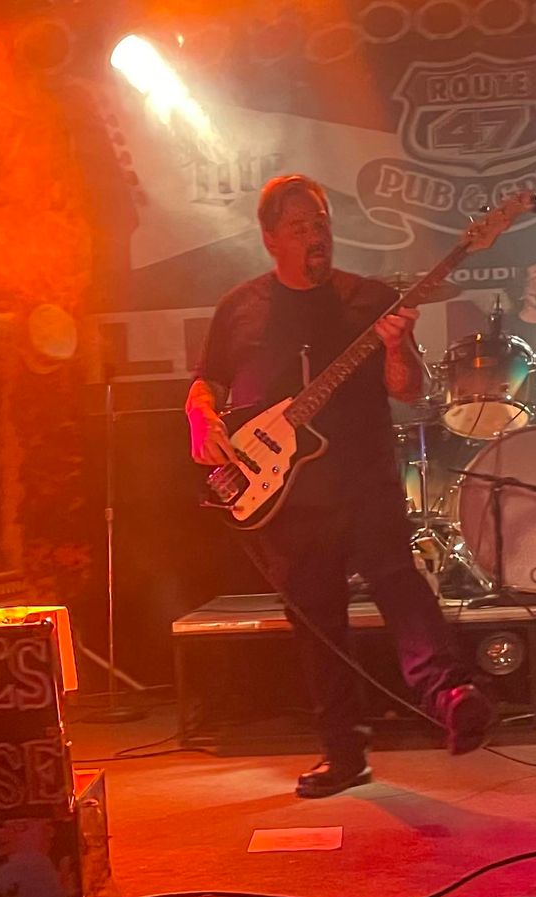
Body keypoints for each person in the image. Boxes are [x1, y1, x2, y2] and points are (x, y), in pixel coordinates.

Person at [186, 174, 496, 799]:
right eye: (299, 227)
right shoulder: (241, 307)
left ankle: (450, 695)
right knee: (317, 620)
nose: (315, 236)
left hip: (363, 476)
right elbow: (207, 382)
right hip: (283, 491)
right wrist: (200, 419)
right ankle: (343, 753)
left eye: (321, 223)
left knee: (396, 577)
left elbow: (407, 389)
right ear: (271, 239)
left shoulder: (370, 298)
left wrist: (398, 348)